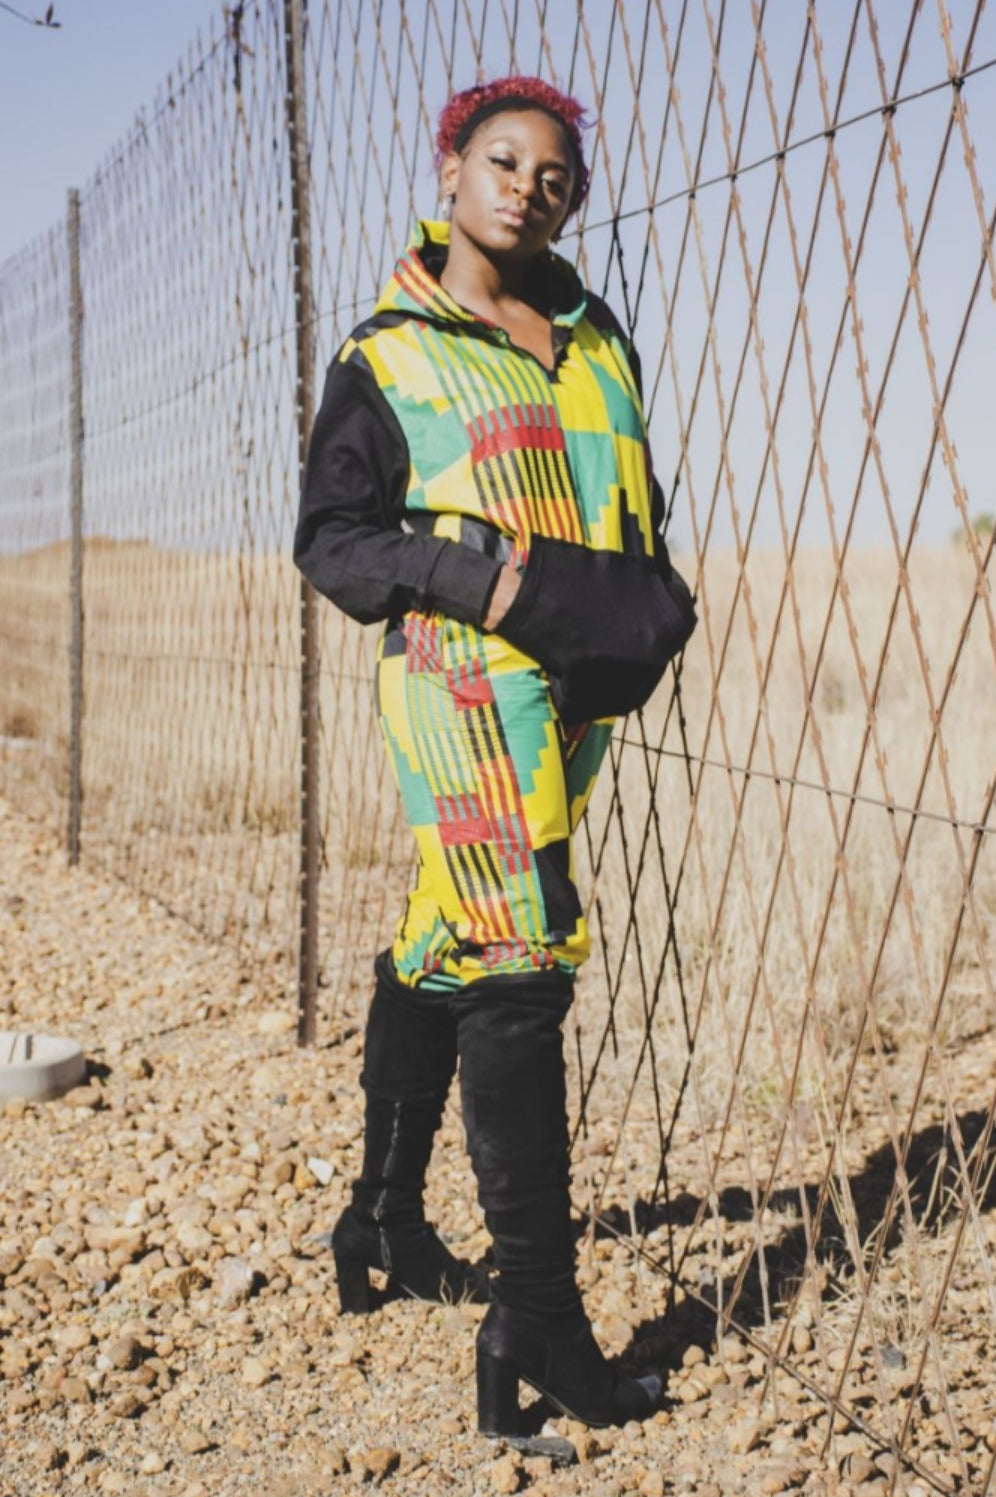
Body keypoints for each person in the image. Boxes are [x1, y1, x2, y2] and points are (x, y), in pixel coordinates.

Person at [294, 74, 695, 1437]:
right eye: (505, 161)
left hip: (579, 678)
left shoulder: (594, 336)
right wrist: (488, 584)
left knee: (447, 930)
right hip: (464, 676)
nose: (529, 187)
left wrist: (649, 599)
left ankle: (382, 1221)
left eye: (556, 176)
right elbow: (334, 543)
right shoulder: (390, 353)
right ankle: (540, 1321)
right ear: (451, 172)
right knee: (522, 953)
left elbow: (627, 484)